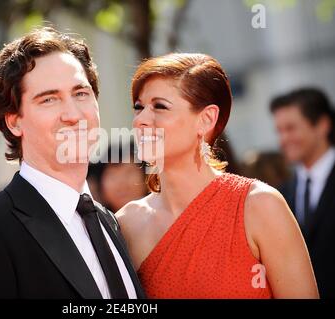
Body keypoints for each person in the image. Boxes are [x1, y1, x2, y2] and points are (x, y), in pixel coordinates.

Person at [0, 27, 144, 299]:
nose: (72, 114)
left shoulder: (108, 221)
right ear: (15, 121)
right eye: (49, 99)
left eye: (81, 93)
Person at [116, 53, 319, 298]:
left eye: (159, 106)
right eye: (139, 107)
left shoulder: (259, 205)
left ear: (206, 119)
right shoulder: (126, 223)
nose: (141, 120)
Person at [270, 88, 335, 298]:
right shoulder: (280, 193)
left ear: (322, 125)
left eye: (290, 128)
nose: (283, 139)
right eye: (279, 131)